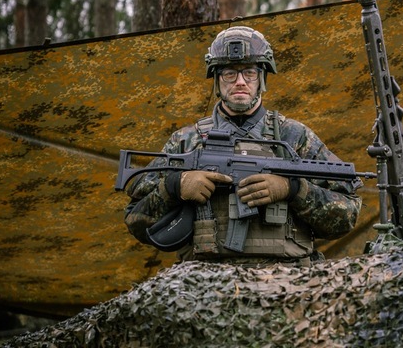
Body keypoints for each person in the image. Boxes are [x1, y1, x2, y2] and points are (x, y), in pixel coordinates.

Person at [123, 26, 362, 265]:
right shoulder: (185, 142)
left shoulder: (295, 137)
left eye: (249, 73)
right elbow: (136, 222)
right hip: (204, 284)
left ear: (261, 79)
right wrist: (175, 187)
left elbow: (347, 216)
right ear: (217, 79)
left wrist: (293, 190)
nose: (240, 82)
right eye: (229, 73)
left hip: (287, 282)